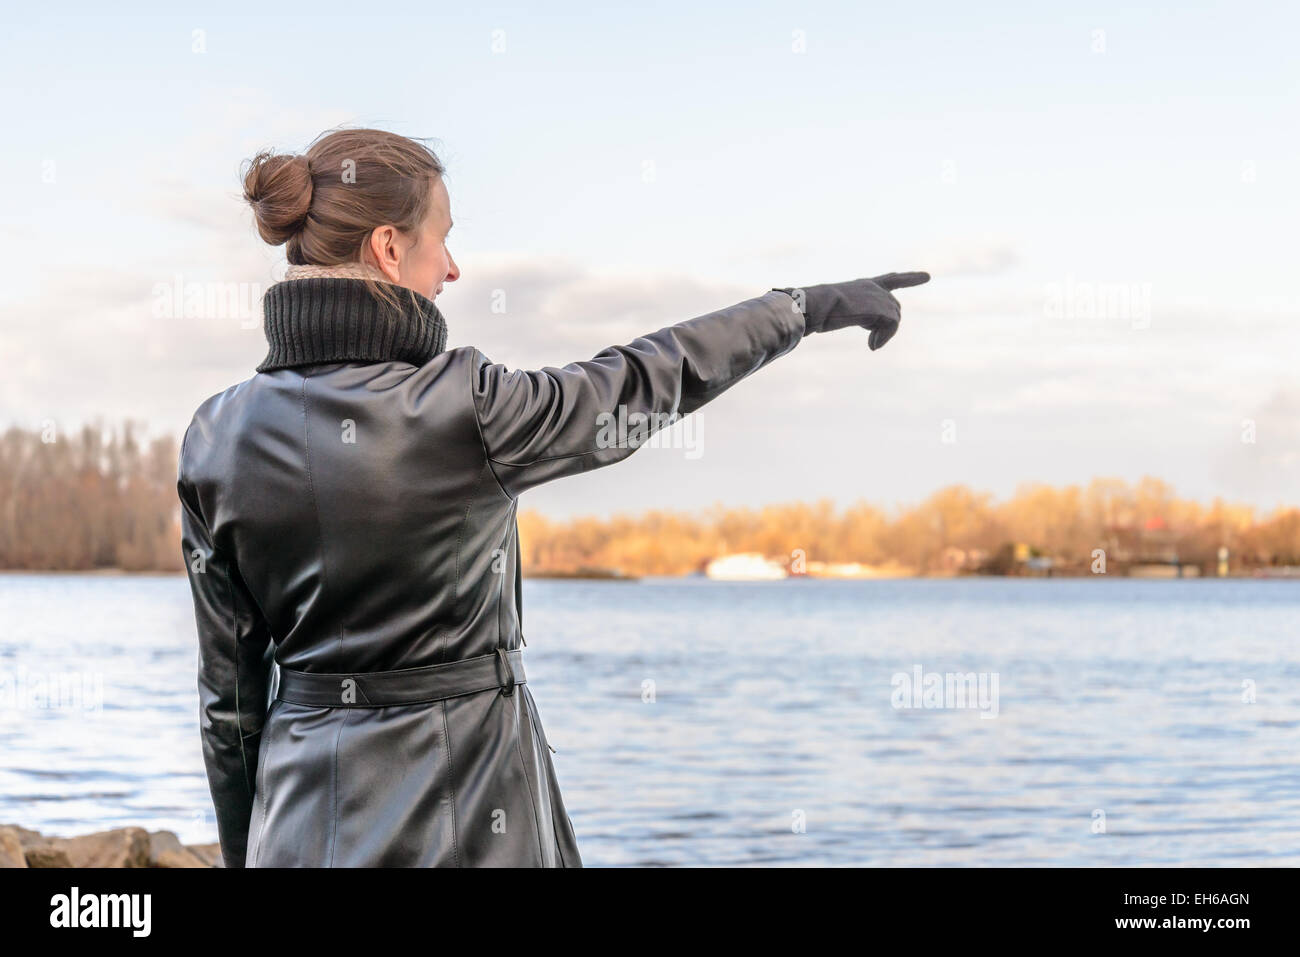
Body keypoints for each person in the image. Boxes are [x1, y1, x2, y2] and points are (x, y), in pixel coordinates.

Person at [177, 126, 929, 867]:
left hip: (298, 826)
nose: (454, 268)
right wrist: (801, 307)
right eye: (442, 238)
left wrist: (251, 852)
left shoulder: (214, 435)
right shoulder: (464, 408)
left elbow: (229, 705)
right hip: (467, 819)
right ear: (388, 247)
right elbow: (645, 379)